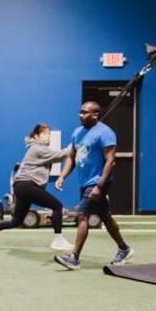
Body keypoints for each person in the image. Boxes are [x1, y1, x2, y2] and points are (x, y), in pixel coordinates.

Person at [52, 102, 133, 271]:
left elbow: (111, 161)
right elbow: (72, 157)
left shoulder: (105, 133)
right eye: (80, 112)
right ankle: (124, 249)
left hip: (98, 181)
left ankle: (74, 258)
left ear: (95, 115)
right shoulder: (77, 132)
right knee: (105, 216)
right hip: (85, 180)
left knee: (83, 215)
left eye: (85, 113)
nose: (81, 115)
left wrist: (99, 185)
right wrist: (62, 175)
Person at [0, 124, 74, 251]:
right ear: (36, 136)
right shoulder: (37, 148)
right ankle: (58, 240)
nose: (48, 137)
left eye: (49, 134)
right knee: (57, 206)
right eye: (44, 134)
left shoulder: (37, 148)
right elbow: (60, 155)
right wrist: (75, 143)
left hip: (22, 186)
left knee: (16, 221)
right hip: (27, 185)